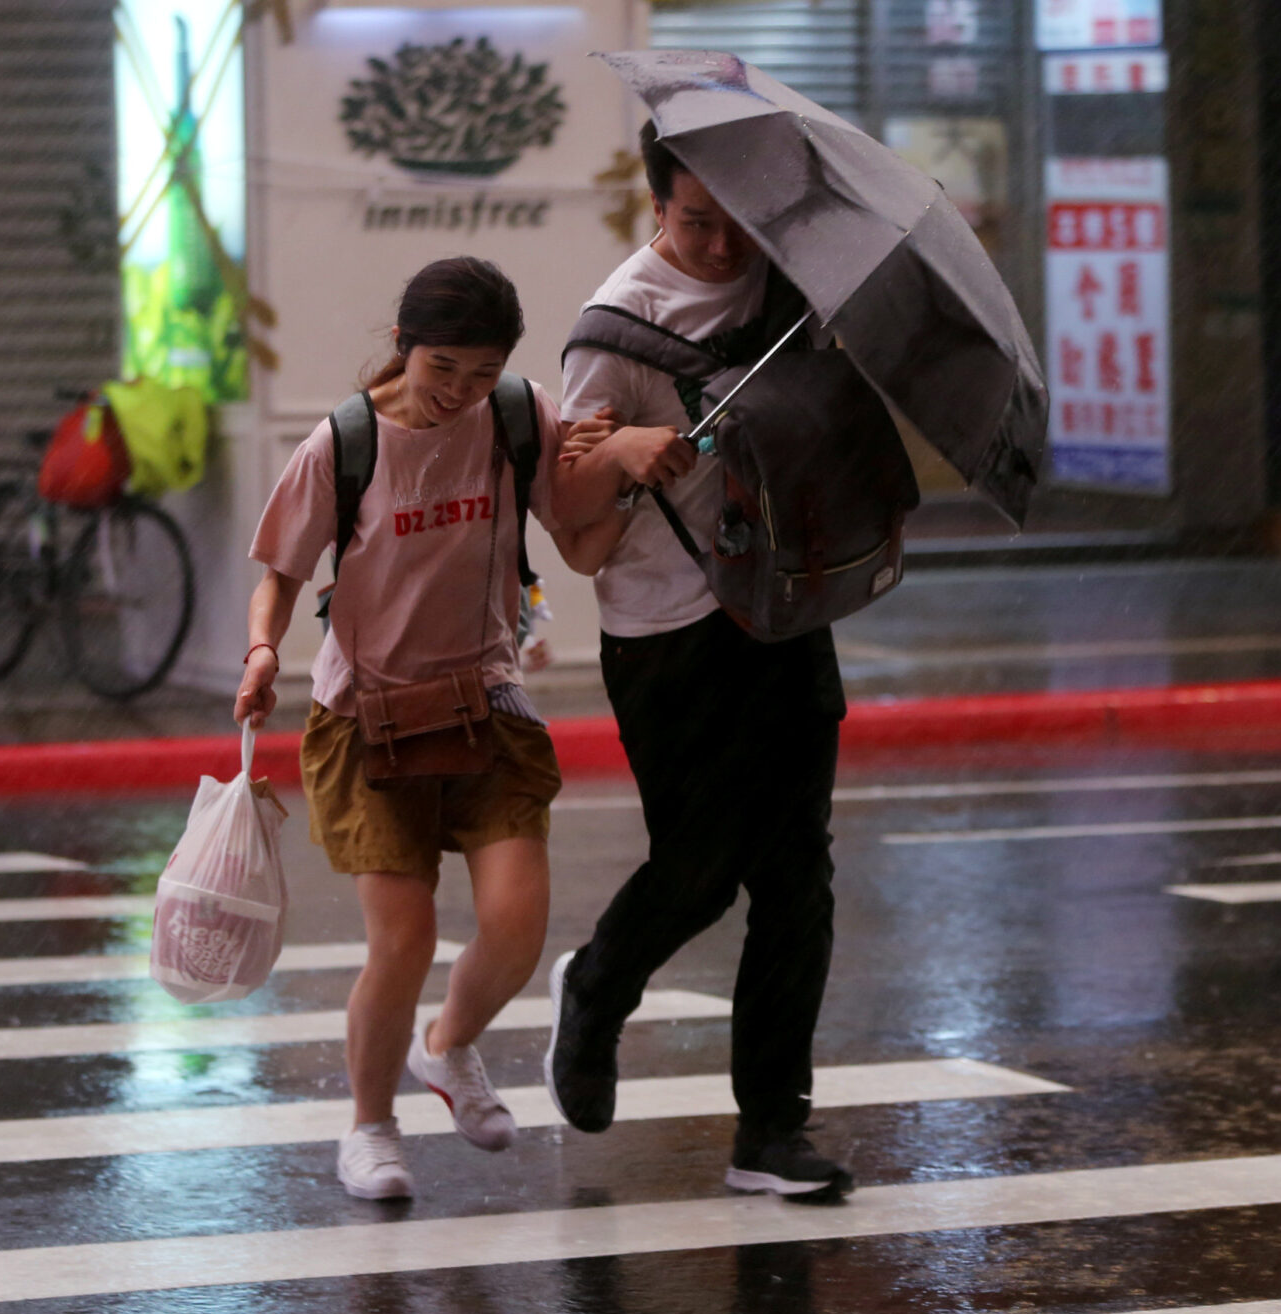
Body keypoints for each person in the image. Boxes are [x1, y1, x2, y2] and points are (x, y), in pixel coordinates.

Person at [235, 257, 608, 1201]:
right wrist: (262, 652)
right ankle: (368, 1126)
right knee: (398, 944)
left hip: (486, 699)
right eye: (445, 368)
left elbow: (581, 535)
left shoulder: (520, 416)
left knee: (517, 927)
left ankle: (447, 1047)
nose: (460, 394)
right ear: (404, 346)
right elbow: (280, 569)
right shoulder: (345, 442)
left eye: (481, 375)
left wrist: (620, 462)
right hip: (368, 718)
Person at [541, 121, 856, 1202]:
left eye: (739, 225)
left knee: (795, 878)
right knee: (700, 868)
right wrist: (622, 450)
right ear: (656, 208)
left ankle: (770, 1130)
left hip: (780, 609)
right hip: (663, 631)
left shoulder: (794, 292)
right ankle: (596, 983)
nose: (723, 248)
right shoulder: (614, 329)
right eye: (696, 224)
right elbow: (565, 513)